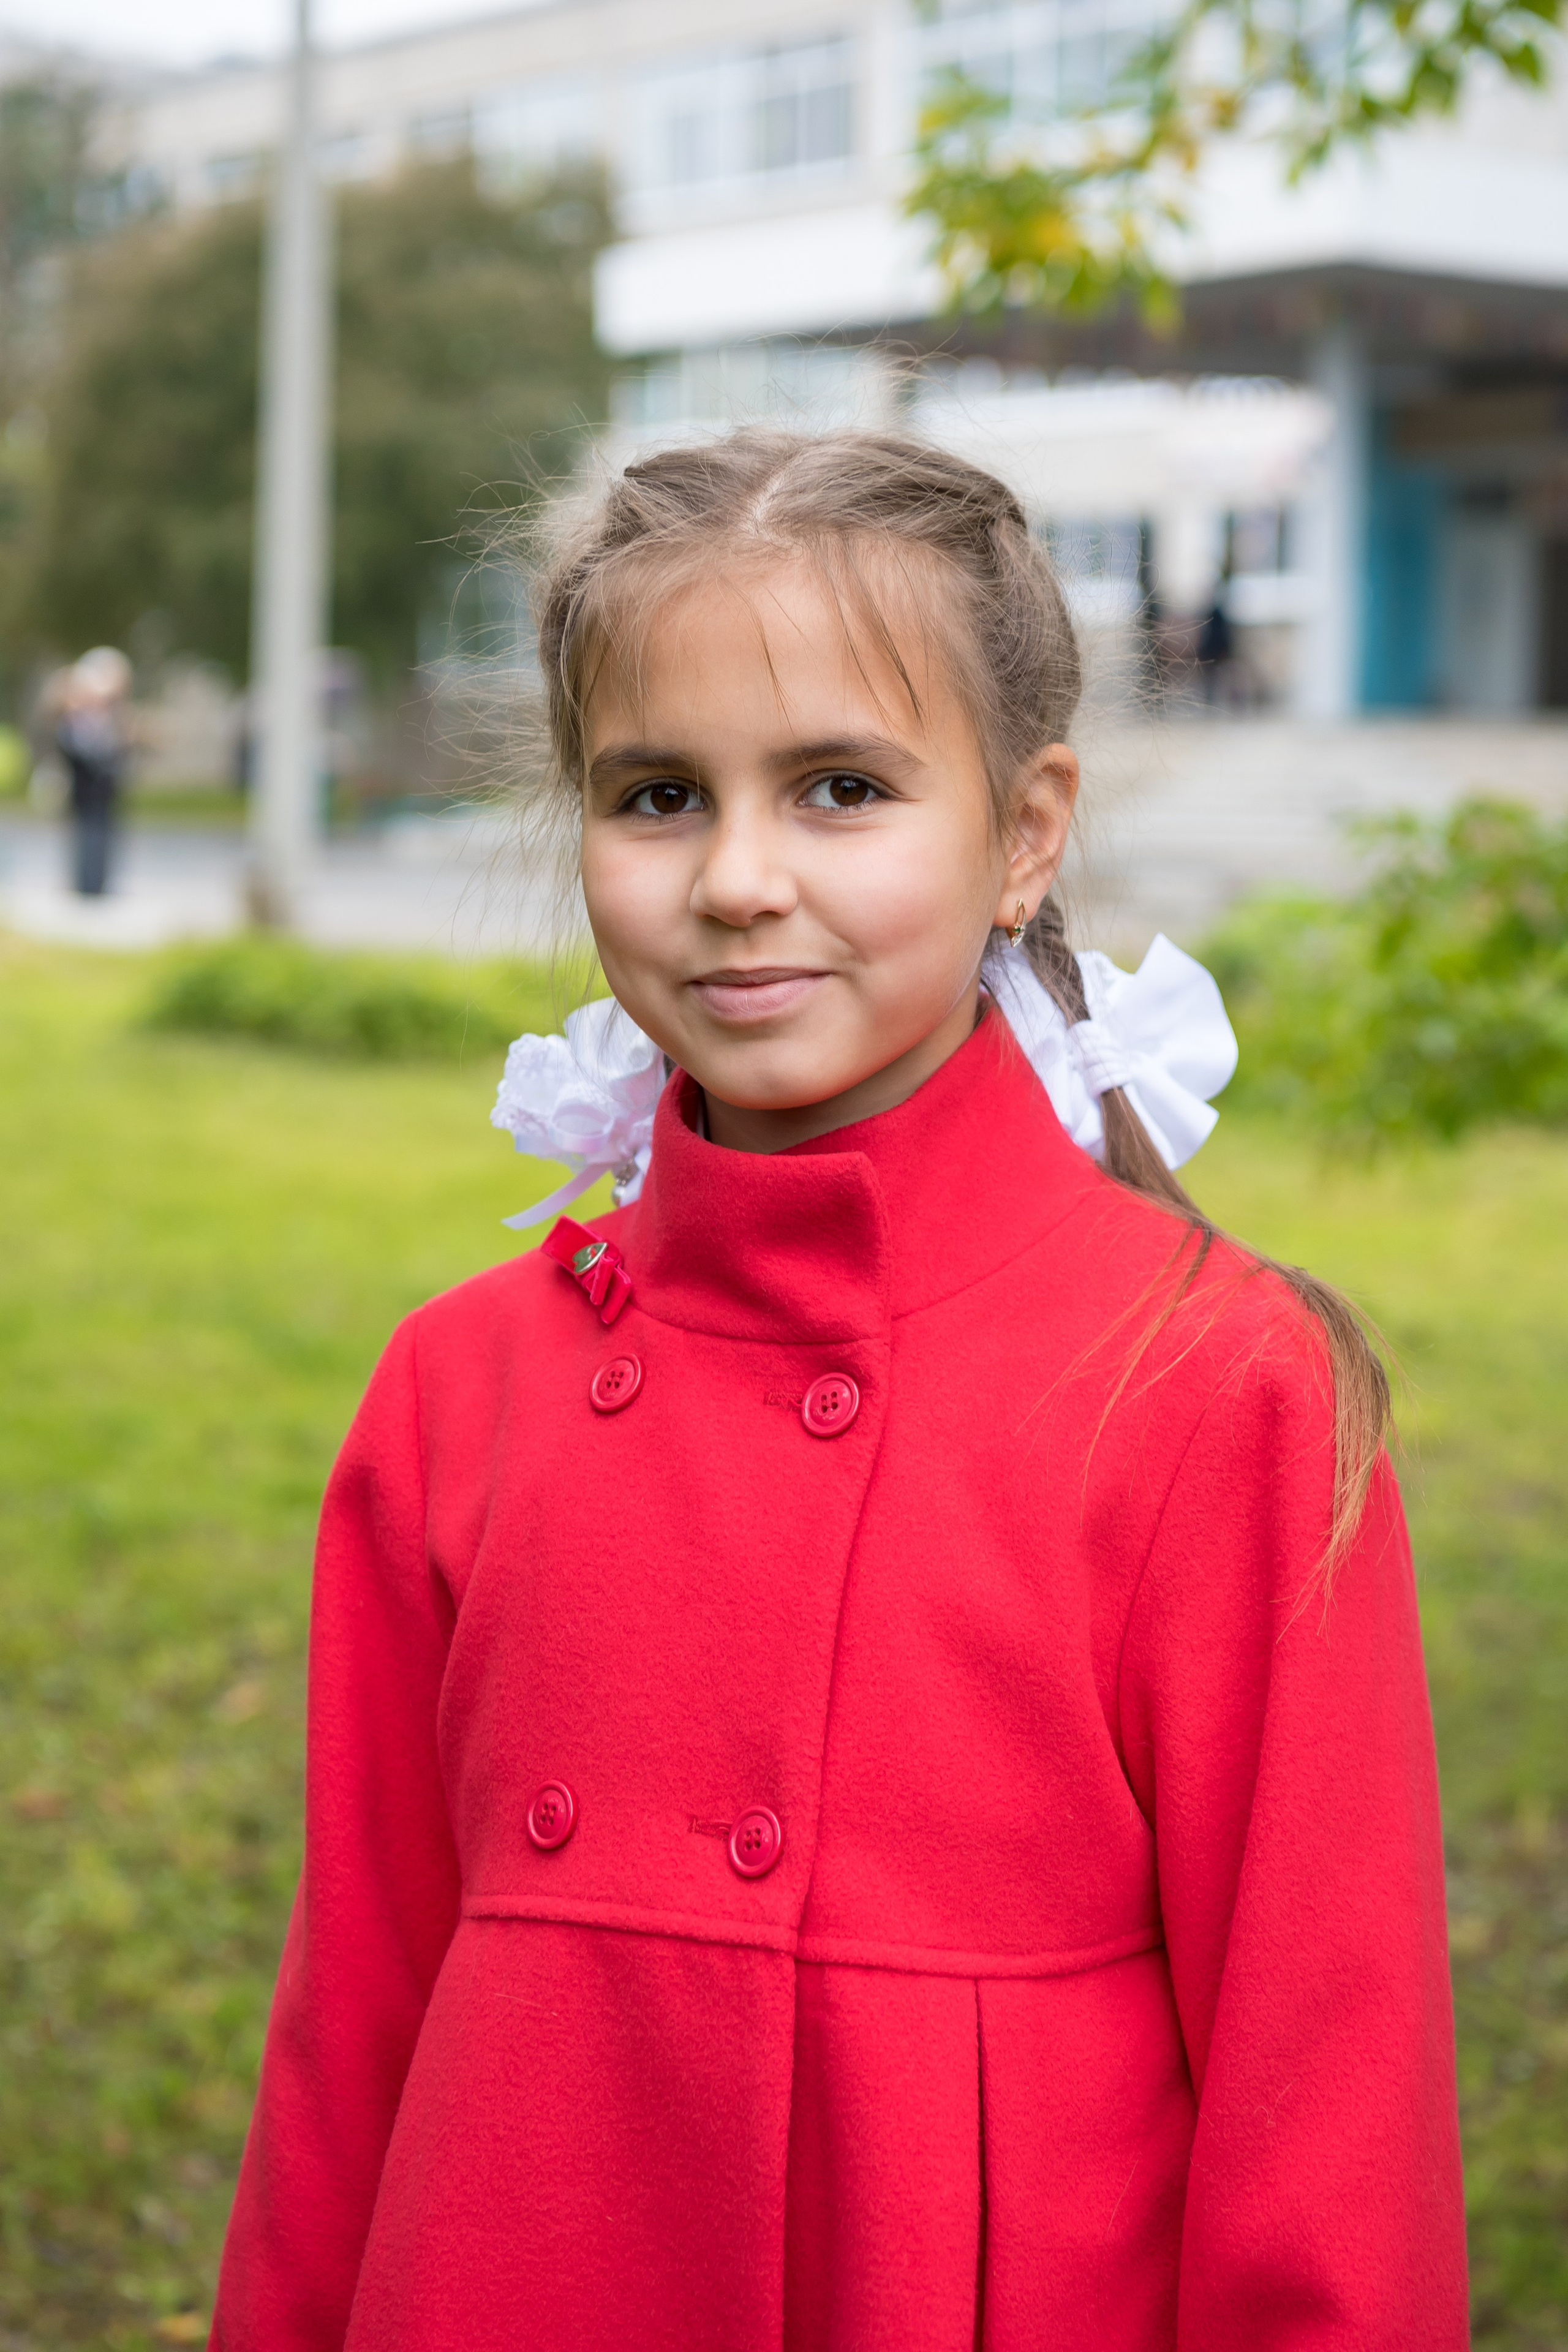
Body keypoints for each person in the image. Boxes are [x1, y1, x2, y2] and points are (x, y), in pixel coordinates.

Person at [210, 433, 1466, 2350]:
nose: (734, 877)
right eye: (654, 794)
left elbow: (1330, 2113)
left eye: (840, 787)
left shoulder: (1216, 1385)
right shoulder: (454, 1389)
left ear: (1025, 828)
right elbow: (352, 2021)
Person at [53, 646, 133, 896]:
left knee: (103, 838)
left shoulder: (107, 721)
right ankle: (86, 886)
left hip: (104, 791)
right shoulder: (72, 723)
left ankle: (97, 886)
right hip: (85, 789)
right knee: (86, 837)